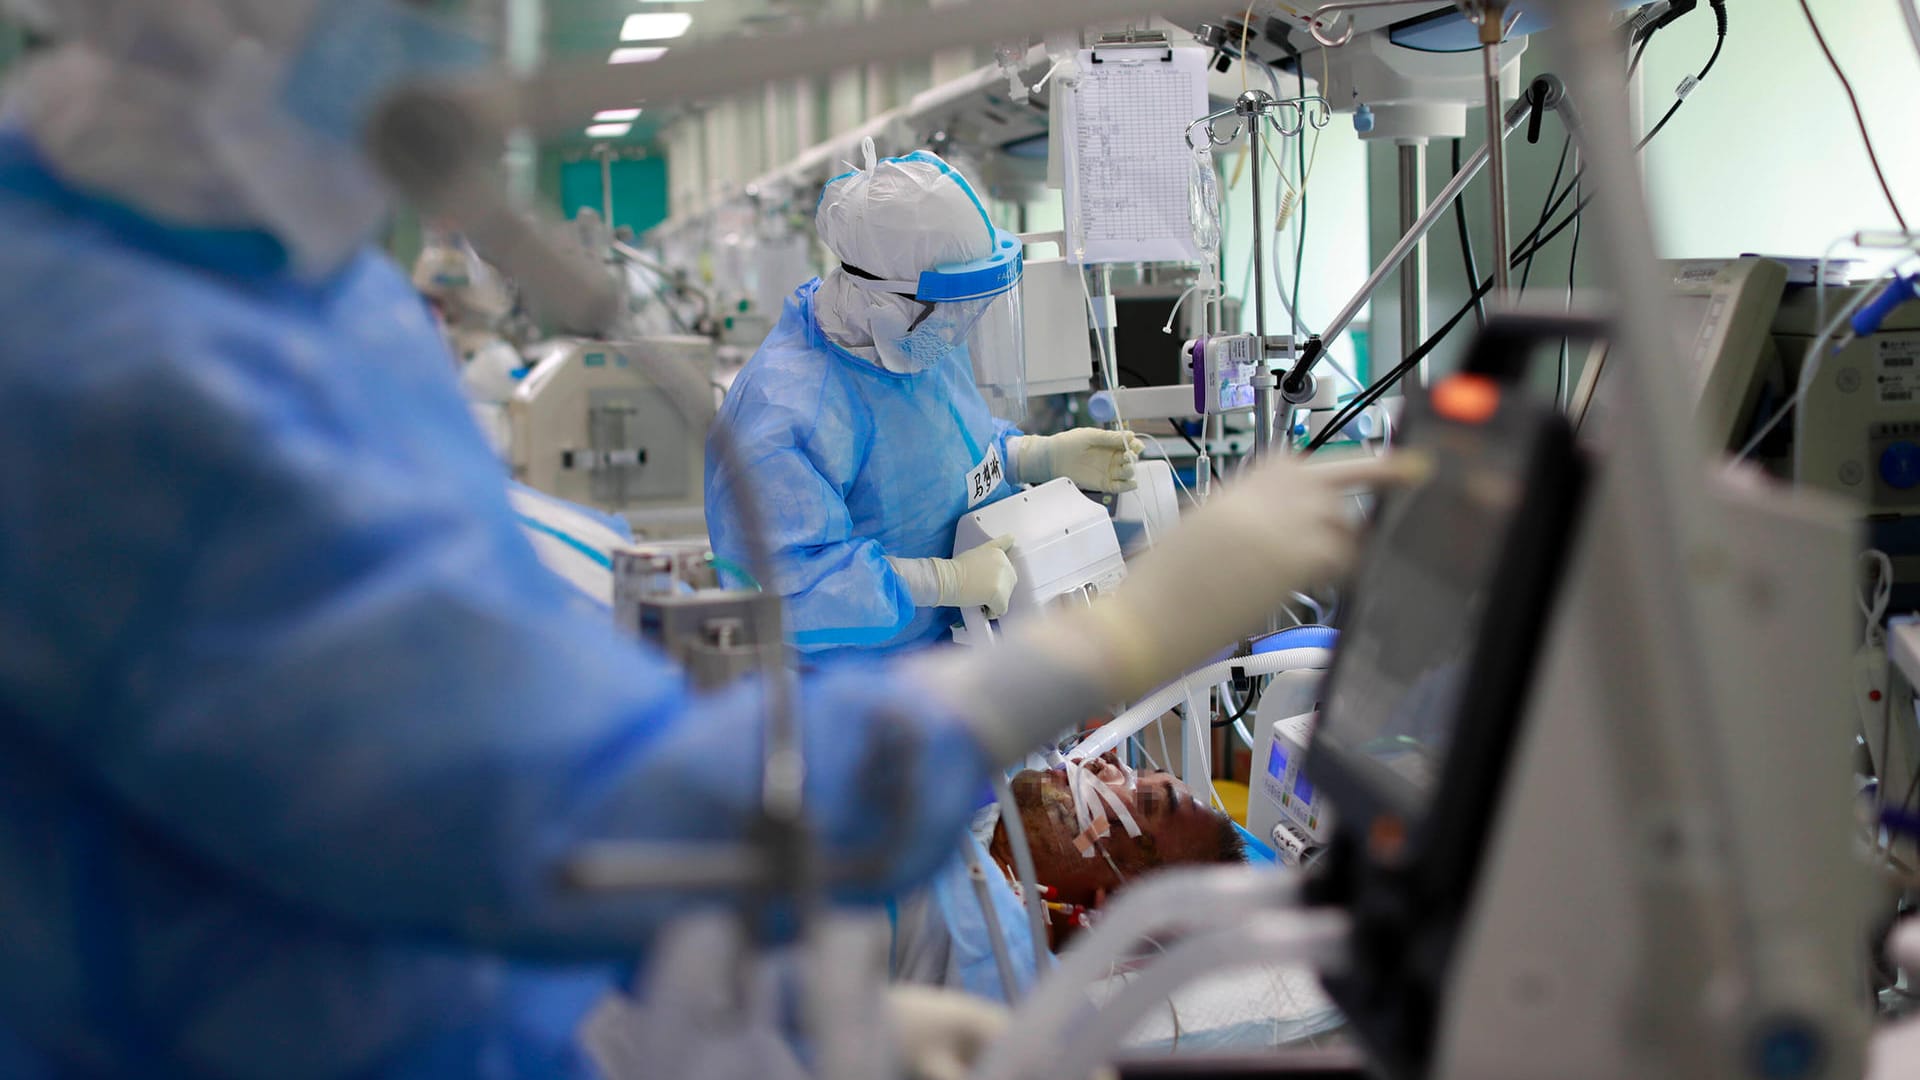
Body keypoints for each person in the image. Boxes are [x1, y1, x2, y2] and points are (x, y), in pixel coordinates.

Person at [0, 1, 1419, 1075]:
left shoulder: (312, 300)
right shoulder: (100, 384)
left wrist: (771, 1013)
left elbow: (471, 768)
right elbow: (565, 809)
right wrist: (1105, 640)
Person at [706, 139, 1146, 663]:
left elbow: (945, 455)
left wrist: (1034, 454)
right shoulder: (783, 410)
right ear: (884, 297)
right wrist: (944, 580)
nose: (961, 330)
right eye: (954, 308)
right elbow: (788, 586)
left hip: (961, 654)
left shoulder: (916, 343)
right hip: (848, 698)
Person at [890, 759, 1243, 1000]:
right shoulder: (968, 797)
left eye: (1145, 800)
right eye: (1135, 772)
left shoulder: (970, 947)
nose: (1104, 766)